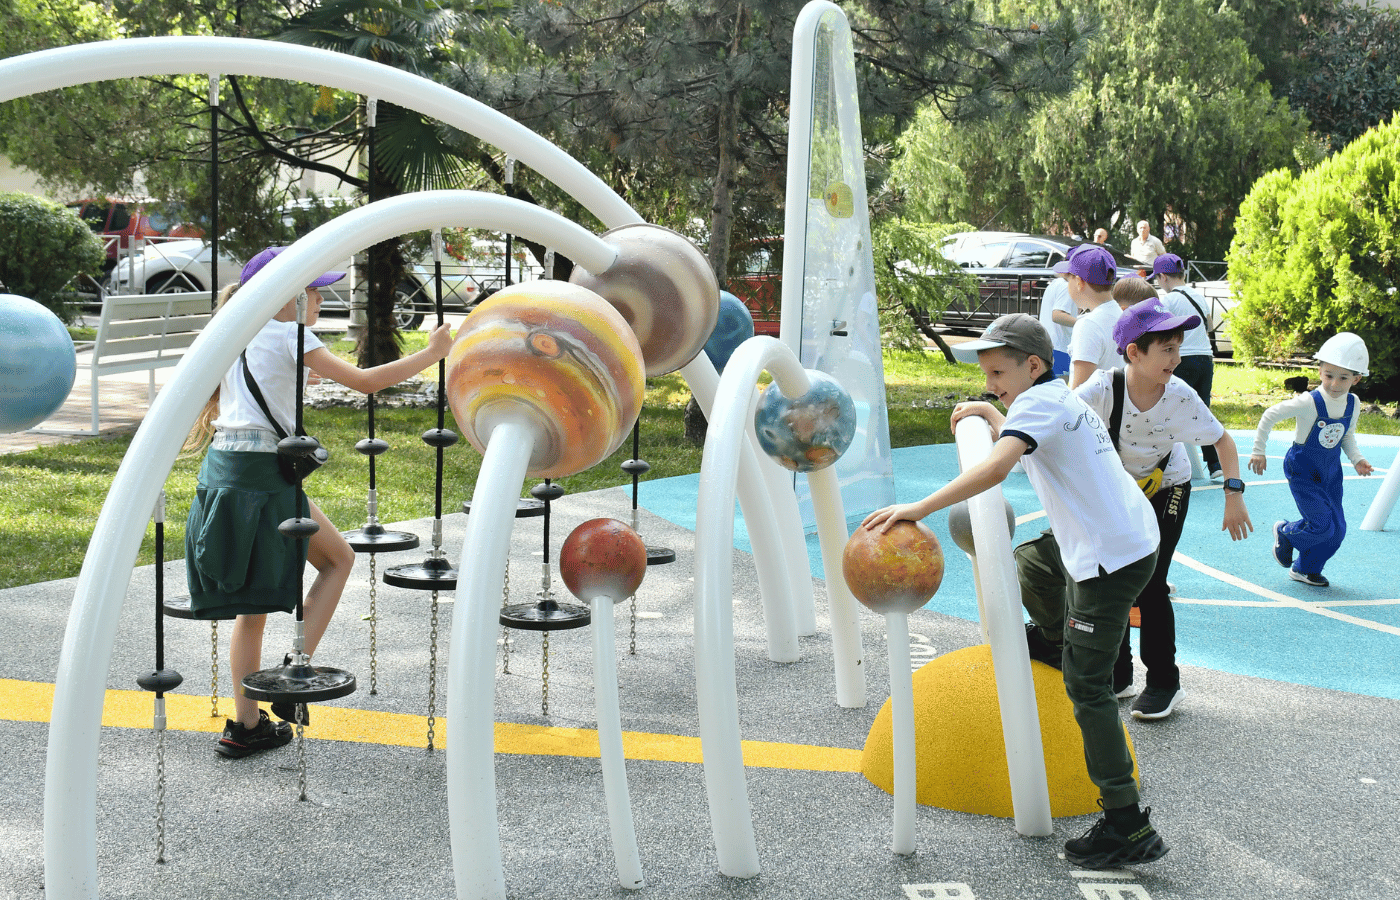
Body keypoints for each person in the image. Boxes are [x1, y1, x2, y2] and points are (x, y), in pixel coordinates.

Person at [861, 313, 1167, 870]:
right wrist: (991, 412)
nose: (990, 383)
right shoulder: (1052, 397)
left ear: (1032, 365)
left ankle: (1126, 823)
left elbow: (997, 468)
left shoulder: (1040, 403)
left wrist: (918, 507)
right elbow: (1025, 434)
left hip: (1110, 559)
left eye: (998, 373)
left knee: (1088, 688)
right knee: (1032, 562)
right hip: (1118, 535)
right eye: (986, 376)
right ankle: (1055, 638)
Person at [185, 246, 455, 758]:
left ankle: (246, 723)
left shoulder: (231, 333)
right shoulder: (291, 335)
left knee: (254, 606)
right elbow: (368, 382)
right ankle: (294, 671)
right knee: (337, 560)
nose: (318, 296)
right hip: (264, 475)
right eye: (311, 288)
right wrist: (433, 351)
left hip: (224, 469)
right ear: (285, 294)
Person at [1076, 300, 1254, 720]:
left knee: (1150, 582)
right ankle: (1118, 674)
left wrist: (1234, 494)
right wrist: (994, 415)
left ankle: (1163, 682)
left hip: (1166, 486)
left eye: (1178, 347)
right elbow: (1053, 421)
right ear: (1134, 353)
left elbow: (1223, 442)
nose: (1176, 359)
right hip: (1118, 492)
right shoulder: (1103, 389)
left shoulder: (1180, 397)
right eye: (1166, 350)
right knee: (1109, 575)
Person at [1248, 333, 1373, 587]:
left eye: (1344, 378)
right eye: (1328, 375)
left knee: (1337, 531)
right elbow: (1270, 415)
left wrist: (1357, 459)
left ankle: (1305, 569)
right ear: (1320, 370)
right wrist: (1258, 450)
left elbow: (1346, 436)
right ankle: (1286, 531)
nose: (1334, 384)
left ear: (1357, 379)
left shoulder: (1353, 403)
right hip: (1303, 469)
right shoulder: (1309, 401)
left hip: (1330, 472)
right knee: (1321, 525)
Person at [1151, 253, 1222, 480]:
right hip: (1205, 358)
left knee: (1169, 408)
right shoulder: (1198, 296)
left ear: (1163, 277)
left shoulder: (1168, 300)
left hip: (1184, 359)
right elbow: (1209, 325)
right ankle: (1214, 464)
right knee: (1203, 410)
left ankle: (1165, 463)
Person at [1063, 245, 1122, 388]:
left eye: (1068, 280)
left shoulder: (1088, 324)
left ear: (1079, 282)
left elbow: (1080, 390)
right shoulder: (1122, 315)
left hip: (1094, 410)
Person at [1037, 271, 1077, 378]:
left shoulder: (1056, 283)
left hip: (1050, 346)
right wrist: (1083, 323)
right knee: (1059, 390)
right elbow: (1057, 315)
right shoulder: (1066, 287)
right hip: (1060, 349)